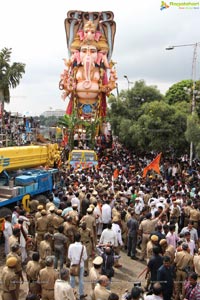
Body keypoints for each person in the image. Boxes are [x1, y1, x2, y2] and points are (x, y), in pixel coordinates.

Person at [68, 232, 87, 299]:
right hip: (80, 265)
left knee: (72, 280)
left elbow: (69, 256)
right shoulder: (83, 247)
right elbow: (85, 258)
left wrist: (74, 260)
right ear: (80, 238)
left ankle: (72, 293)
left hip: (73, 265)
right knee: (81, 280)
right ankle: (81, 294)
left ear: (74, 238)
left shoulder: (71, 246)